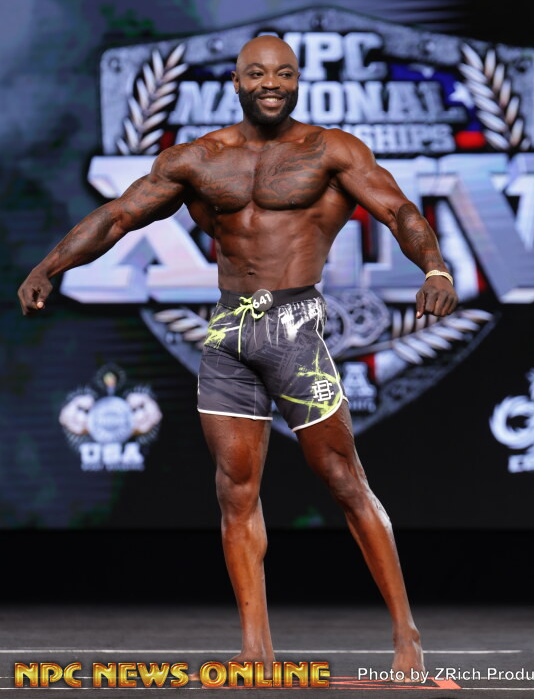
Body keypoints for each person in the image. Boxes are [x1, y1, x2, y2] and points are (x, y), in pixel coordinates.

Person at [18, 35, 458, 675]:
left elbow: (400, 212)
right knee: (235, 491)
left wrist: (436, 269)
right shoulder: (199, 159)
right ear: (236, 81)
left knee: (343, 479)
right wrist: (49, 266)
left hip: (295, 327)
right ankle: (256, 649)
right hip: (228, 332)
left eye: (283, 73)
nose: (270, 83)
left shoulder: (332, 150)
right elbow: (117, 217)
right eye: (257, 73)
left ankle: (406, 637)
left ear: (298, 81)